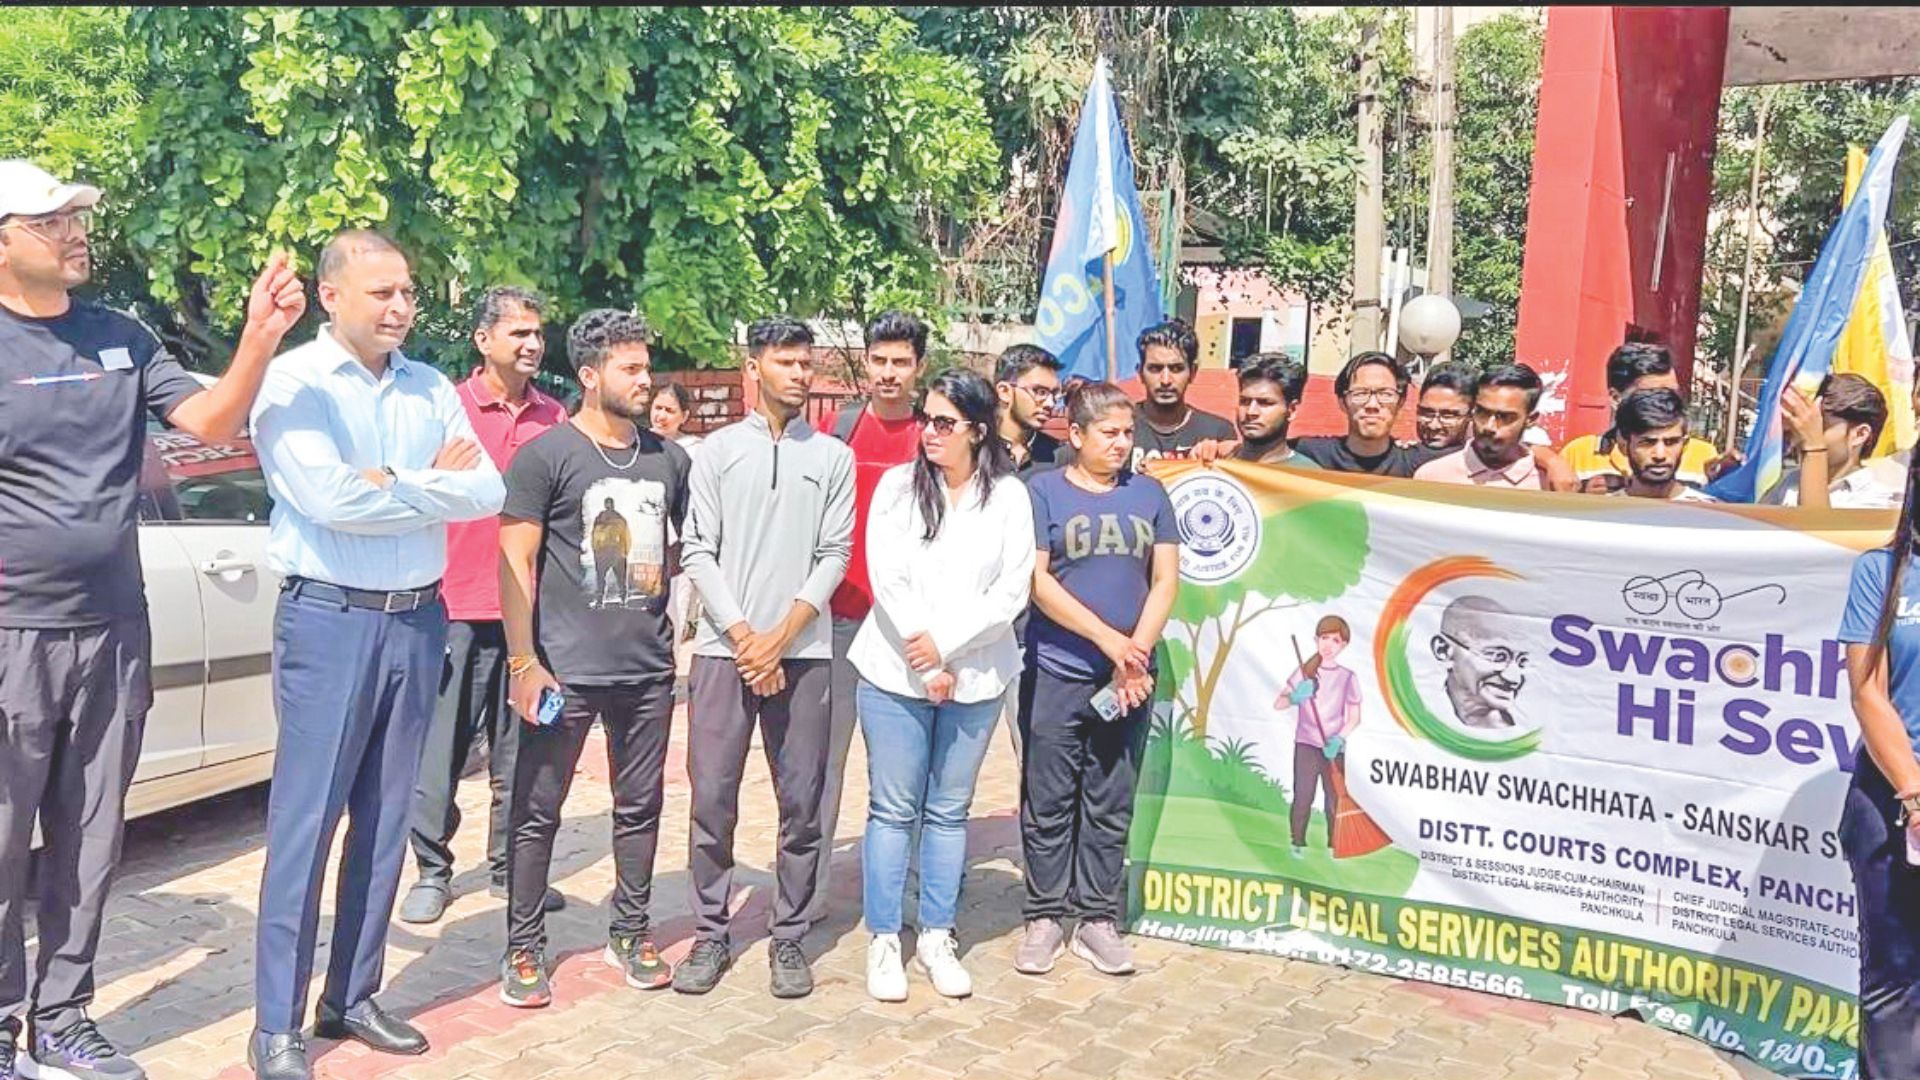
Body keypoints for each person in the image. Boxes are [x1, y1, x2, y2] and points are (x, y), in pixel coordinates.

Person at [0, 159, 304, 1080]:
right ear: (4, 238)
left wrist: (258, 338)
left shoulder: (121, 337)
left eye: (78, 217)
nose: (75, 231)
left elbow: (210, 421)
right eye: (52, 220)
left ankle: (63, 1018)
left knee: (92, 834)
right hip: (11, 636)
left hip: (113, 630)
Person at [247, 231, 505, 1080]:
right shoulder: (293, 382)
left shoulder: (429, 384)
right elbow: (324, 497)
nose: (399, 307)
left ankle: (351, 994)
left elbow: (487, 491)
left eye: (408, 291)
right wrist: (421, 479)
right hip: (329, 621)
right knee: (306, 824)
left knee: (387, 818)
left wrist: (385, 481)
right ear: (331, 296)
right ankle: (276, 1025)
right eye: (380, 293)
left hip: (416, 620)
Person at [494, 309, 691, 1007]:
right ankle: (522, 948)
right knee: (535, 811)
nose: (646, 380)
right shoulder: (546, 456)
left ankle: (630, 931)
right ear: (589, 375)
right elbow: (515, 560)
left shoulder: (669, 459)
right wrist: (524, 663)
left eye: (646, 366)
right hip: (562, 672)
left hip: (645, 670)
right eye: (630, 369)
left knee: (639, 807)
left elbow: (676, 551)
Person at [675, 316, 855, 998]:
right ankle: (710, 933)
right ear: (754, 368)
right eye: (784, 362)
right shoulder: (716, 453)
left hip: (804, 654)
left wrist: (781, 637)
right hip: (726, 653)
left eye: (805, 363)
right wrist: (748, 636)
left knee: (802, 800)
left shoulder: (831, 458)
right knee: (712, 797)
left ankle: (788, 934)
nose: (799, 374)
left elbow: (834, 553)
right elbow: (699, 551)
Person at [850, 368, 1034, 1002]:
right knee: (893, 809)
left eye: (944, 423)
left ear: (978, 432)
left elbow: (1010, 591)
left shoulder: (1009, 498)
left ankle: (936, 932)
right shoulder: (900, 488)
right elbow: (888, 577)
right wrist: (927, 662)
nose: (929, 432)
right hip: (895, 672)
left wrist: (948, 648)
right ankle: (882, 938)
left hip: (977, 676)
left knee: (948, 812)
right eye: (927, 420)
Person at [400, 286, 567, 927]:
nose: (530, 344)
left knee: (521, 747)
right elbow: (406, 488)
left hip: (528, 610)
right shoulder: (447, 409)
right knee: (438, 749)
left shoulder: (555, 418)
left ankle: (508, 866)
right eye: (517, 333)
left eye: (536, 333)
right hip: (454, 604)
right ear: (483, 340)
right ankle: (432, 870)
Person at [1015, 382, 1179, 978]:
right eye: (1108, 432)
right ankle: (1045, 914)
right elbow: (1039, 581)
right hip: (1060, 671)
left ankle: (1095, 917)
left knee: (1109, 798)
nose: (1121, 443)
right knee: (1049, 798)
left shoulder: (1150, 494)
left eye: (1128, 432)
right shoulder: (1044, 493)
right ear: (1077, 436)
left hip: (1129, 678)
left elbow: (1164, 580)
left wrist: (1135, 652)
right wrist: (1108, 641)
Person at [814, 311, 927, 928]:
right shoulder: (841, 428)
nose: (889, 373)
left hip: (901, 631)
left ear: (919, 367)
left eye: (900, 362)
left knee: (901, 772)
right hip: (837, 622)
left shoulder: (931, 436)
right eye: (879, 360)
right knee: (823, 763)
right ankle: (807, 894)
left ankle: (905, 894)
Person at [1837, 448, 1920, 1077]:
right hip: (1892, 799)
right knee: (1895, 981)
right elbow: (1868, 691)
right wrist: (1915, 795)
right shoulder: (1883, 571)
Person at [1560, 342, 1728, 493]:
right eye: (1650, 394)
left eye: (1672, 393)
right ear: (1616, 398)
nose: (1663, 402)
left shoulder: (1702, 456)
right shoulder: (1577, 454)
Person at [1277, 617, 1361, 856]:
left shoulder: (1348, 677)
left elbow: (1354, 717)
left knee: (1334, 799)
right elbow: (1279, 703)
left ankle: (1334, 845)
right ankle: (1297, 843)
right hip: (1306, 745)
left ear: (1343, 644)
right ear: (1316, 640)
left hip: (1333, 747)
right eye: (1324, 638)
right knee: (1303, 795)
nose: (1329, 644)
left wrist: (1339, 738)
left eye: (1335, 640)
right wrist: (1295, 698)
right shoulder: (1305, 673)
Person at [1293, 352, 1448, 477]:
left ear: (1401, 401)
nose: (1372, 405)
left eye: (1385, 394)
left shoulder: (1418, 465)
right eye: (1360, 393)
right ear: (1342, 402)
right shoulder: (1311, 454)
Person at [1764, 374, 1902, 509]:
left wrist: (1813, 447)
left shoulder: (1878, 498)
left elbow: (1816, 527)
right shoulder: (1788, 482)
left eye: (1817, 427)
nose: (1802, 436)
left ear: (1860, 434)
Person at [1413, 363, 1547, 489]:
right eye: (1483, 412)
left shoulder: (1547, 483)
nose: (1489, 426)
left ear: (1531, 419)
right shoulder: (1432, 476)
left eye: (1504, 417)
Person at [1132, 319, 1235, 469]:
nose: (1165, 380)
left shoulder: (1217, 432)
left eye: (1176, 369)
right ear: (1140, 373)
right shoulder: (1118, 428)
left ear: (1193, 372)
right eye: (1155, 369)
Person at [1431, 596, 1532, 729]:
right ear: (1443, 650)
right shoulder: (1426, 704)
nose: (1514, 678)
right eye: (1498, 656)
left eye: (1521, 661)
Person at [1604, 389, 1716, 503]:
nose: (1660, 455)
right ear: (1624, 446)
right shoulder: (1603, 513)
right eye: (1647, 443)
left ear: (1685, 444)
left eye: (1671, 442)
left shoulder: (1711, 514)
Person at [1231, 354, 1319, 467]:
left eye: (1265, 403)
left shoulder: (1309, 476)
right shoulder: (1214, 464)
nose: (1251, 412)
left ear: (1291, 410)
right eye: (1244, 401)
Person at [994, 343, 1065, 475]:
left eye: (1054, 394)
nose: (1050, 403)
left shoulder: (1059, 457)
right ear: (1004, 391)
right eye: (1040, 392)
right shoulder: (974, 449)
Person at [1414, 362, 1478, 451]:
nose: (1434, 426)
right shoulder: (1403, 459)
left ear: (1471, 415)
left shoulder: (1486, 462)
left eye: (1447, 416)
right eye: (1427, 413)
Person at [649, 380, 702, 452]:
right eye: (658, 408)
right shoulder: (637, 442)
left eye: (669, 411)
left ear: (684, 416)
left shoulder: (695, 449)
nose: (662, 416)